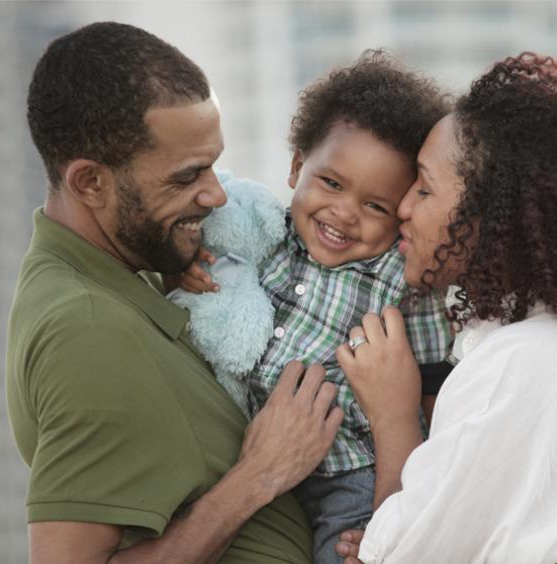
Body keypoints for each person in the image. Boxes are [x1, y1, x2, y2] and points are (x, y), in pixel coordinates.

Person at [333, 53, 557, 563]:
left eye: (424, 186)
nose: (404, 208)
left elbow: (404, 557)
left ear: (486, 213)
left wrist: (393, 414)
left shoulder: (526, 362)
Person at [6, 22, 343, 563]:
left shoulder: (119, 272)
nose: (214, 194)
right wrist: (258, 476)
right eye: (186, 177)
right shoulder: (87, 327)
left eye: (213, 163)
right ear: (90, 183)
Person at [172, 52, 453, 564]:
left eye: (375, 206)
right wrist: (186, 271)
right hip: (250, 446)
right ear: (298, 166)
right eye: (331, 183)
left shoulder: (401, 279)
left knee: (348, 553)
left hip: (349, 472)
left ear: (403, 213)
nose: (344, 214)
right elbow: (209, 259)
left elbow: (434, 385)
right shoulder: (268, 240)